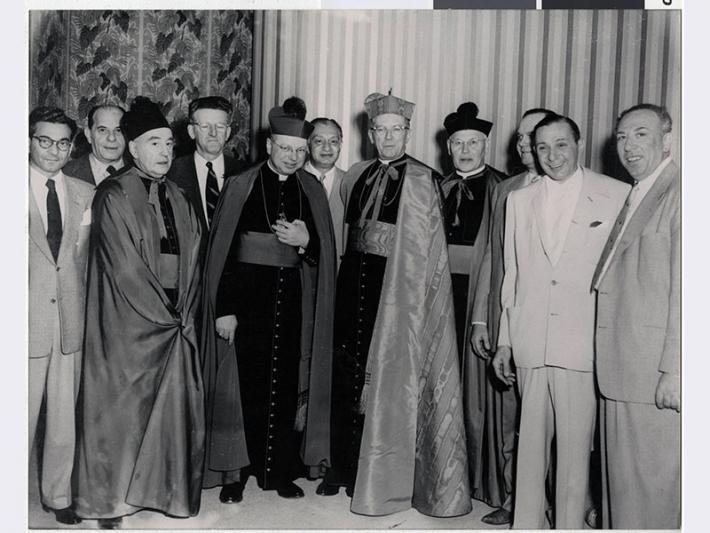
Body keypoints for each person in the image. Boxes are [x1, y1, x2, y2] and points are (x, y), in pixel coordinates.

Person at [318, 91, 471, 518]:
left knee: (387, 376)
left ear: (407, 132)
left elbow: (430, 251)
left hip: (396, 290)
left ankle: (384, 473)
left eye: (395, 131)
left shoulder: (424, 179)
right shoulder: (357, 175)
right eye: (380, 131)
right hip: (353, 283)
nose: (387, 138)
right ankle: (343, 468)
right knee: (347, 373)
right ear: (370, 134)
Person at [491, 114, 628, 528]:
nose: (552, 156)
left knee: (573, 454)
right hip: (530, 339)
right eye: (542, 147)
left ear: (579, 143)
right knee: (529, 448)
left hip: (580, 344)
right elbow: (511, 273)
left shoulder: (616, 194)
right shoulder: (518, 200)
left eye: (561, 145)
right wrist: (505, 340)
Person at [74, 97, 204, 529]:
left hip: (172, 317)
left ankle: (160, 491)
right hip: (127, 321)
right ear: (133, 148)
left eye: (169, 143)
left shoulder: (180, 196)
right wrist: (165, 314)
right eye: (154, 143)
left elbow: (194, 260)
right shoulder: (112, 195)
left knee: (166, 410)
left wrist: (182, 308)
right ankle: (110, 501)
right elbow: (123, 266)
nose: (165, 151)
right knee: (120, 410)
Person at [201, 96, 335, 504]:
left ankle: (279, 472)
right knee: (244, 387)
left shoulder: (311, 189)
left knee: (285, 384)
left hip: (293, 303)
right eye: (286, 149)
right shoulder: (241, 184)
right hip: (247, 303)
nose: (293, 157)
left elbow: (323, 253)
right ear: (269, 147)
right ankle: (236, 475)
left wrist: (307, 241)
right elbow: (221, 252)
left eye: (300, 151)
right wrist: (224, 308)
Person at [592, 104, 680, 529]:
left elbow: (689, 292)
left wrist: (675, 370)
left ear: (667, 139)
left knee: (652, 494)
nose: (628, 146)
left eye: (641, 135)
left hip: (651, 373)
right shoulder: (638, 191)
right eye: (622, 137)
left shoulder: (681, 193)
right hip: (621, 366)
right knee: (622, 494)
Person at [468, 107, 553, 525]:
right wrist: (483, 320)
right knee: (508, 415)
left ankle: (555, 500)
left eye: (531, 136)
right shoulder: (506, 189)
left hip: (551, 324)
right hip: (507, 318)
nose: (522, 144)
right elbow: (489, 255)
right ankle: (514, 498)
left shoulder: (575, 188)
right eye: (519, 138)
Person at [28, 106, 94, 526]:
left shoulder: (83, 193)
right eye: (44, 141)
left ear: (73, 146)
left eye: (62, 142)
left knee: (63, 420)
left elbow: (81, 262)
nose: (53, 150)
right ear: (29, 141)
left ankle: (58, 494)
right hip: (22, 323)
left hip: (69, 324)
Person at [167, 96, 243, 237]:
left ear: (227, 132)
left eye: (220, 126)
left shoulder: (245, 173)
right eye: (205, 126)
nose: (213, 133)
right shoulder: (171, 174)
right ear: (191, 131)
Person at [304, 117, 346, 266]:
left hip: (339, 273)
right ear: (307, 145)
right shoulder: (293, 180)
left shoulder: (352, 183)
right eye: (319, 141)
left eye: (333, 141)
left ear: (340, 145)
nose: (327, 148)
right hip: (301, 273)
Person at [64, 104, 126, 185]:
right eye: (102, 130)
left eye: (118, 130)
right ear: (89, 135)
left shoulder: (141, 174)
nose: (112, 138)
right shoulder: (65, 173)